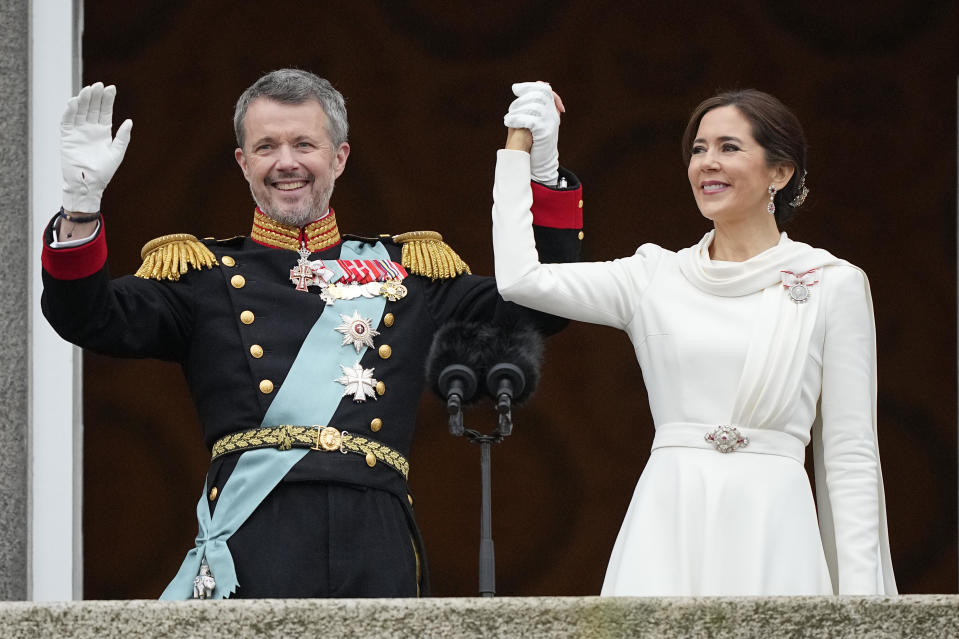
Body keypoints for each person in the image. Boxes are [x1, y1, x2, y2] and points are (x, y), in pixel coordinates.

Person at [40, 70, 584, 598]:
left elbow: (541, 307)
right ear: (242, 163)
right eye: (266, 147)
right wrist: (81, 210)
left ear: (339, 157)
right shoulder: (200, 275)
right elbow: (89, 317)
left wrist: (544, 174)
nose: (286, 163)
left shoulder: (413, 270)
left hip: (377, 535)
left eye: (305, 144)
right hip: (255, 537)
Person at [492, 82, 896, 595]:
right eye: (698, 150)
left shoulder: (830, 282)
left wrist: (863, 604)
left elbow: (851, 454)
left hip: (775, 525)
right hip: (668, 519)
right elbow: (521, 280)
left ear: (780, 171)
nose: (707, 162)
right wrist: (527, 159)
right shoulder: (653, 276)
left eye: (729, 147)